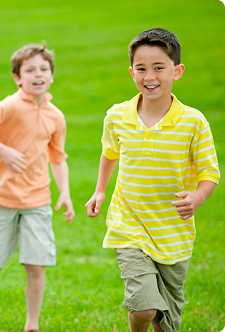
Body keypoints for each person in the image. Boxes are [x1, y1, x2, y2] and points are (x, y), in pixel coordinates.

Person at [85, 28, 220, 332]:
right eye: (142, 69)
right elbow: (110, 152)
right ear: (131, 72)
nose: (150, 76)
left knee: (167, 323)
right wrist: (100, 191)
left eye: (159, 67)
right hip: (129, 223)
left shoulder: (193, 122)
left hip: (174, 232)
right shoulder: (117, 116)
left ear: (177, 70)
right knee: (144, 308)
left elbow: (210, 172)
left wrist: (198, 197)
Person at [0, 43, 75, 332]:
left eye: (44, 69)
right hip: (3, 198)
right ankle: (5, 237)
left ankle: (32, 324)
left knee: (36, 266)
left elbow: (58, 158)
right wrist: (3, 151)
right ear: (17, 77)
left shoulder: (55, 116)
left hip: (38, 200)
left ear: (51, 75)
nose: (38, 74)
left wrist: (65, 193)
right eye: (30, 70)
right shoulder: (9, 106)